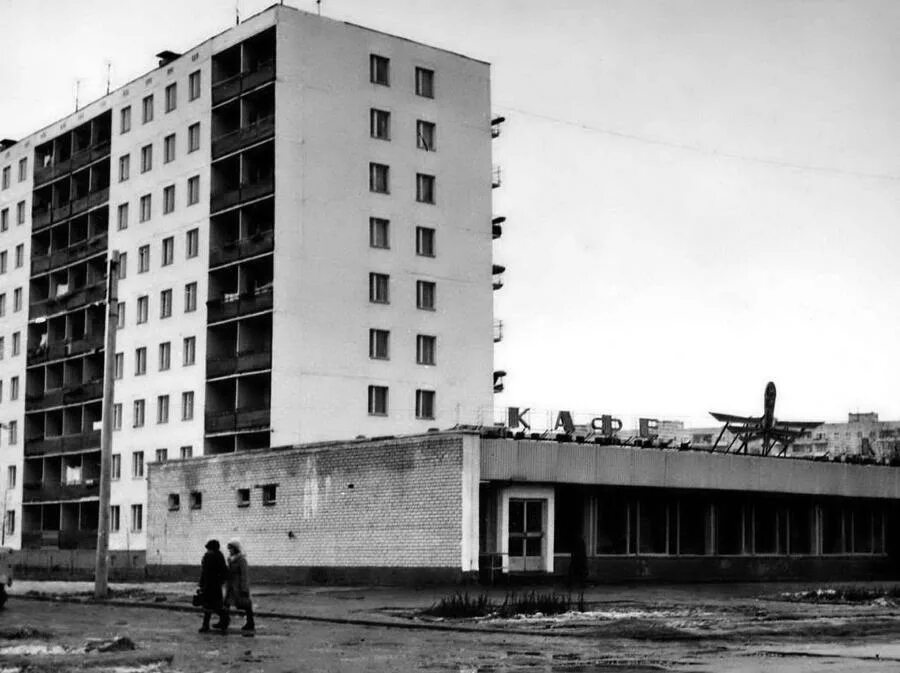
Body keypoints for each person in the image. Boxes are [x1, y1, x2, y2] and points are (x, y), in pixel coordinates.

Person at [225, 538, 256, 632]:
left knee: (245, 605)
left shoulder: (241, 560)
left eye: (231, 549)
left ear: (235, 549)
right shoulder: (231, 560)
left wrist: (244, 588)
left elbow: (244, 575)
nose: (229, 550)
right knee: (226, 603)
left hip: (238, 587)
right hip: (231, 586)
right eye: (229, 549)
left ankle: (250, 622)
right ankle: (224, 621)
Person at [198, 539, 228, 633]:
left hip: (211, 585)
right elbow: (223, 571)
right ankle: (221, 621)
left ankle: (220, 621)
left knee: (211, 606)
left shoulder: (210, 556)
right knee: (211, 606)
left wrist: (202, 583)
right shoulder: (218, 556)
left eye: (209, 548)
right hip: (213, 585)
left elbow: (205, 572)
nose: (207, 550)